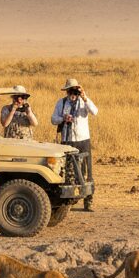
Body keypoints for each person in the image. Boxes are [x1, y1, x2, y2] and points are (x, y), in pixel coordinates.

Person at [52, 77, 98, 211]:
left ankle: (88, 201)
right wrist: (63, 118)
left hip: (83, 140)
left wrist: (84, 97)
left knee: (86, 171)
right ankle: (68, 201)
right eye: (69, 91)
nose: (72, 94)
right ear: (66, 92)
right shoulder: (61, 103)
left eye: (74, 91)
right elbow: (53, 119)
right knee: (68, 171)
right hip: (67, 140)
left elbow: (95, 111)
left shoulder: (84, 102)